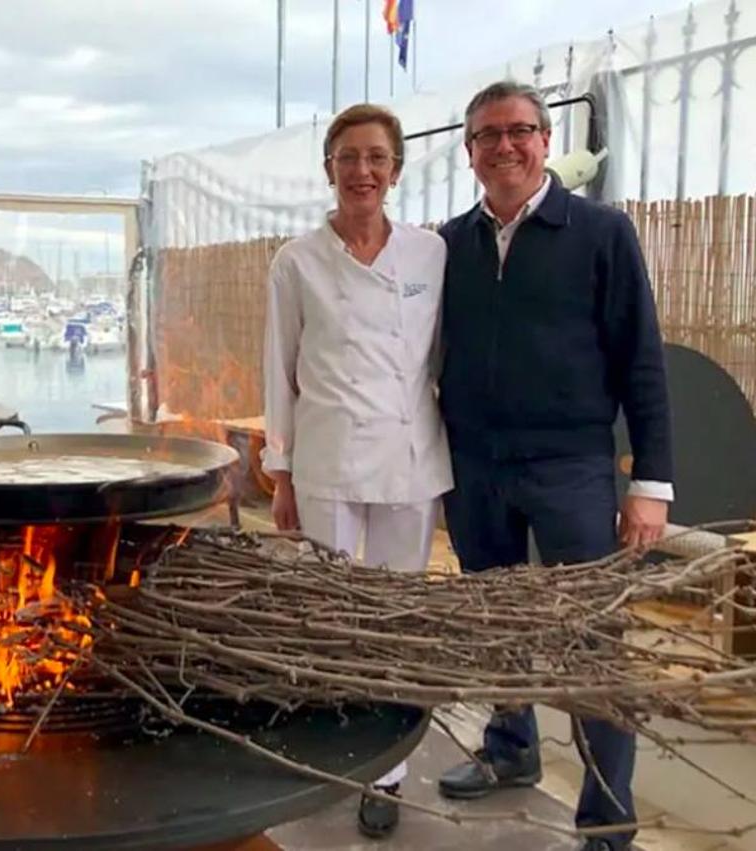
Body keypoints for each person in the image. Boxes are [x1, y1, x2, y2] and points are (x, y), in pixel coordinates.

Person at [435, 80, 673, 851]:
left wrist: (650, 483)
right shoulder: (448, 245)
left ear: (545, 142)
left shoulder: (600, 232)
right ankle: (511, 748)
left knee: (592, 642)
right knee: (499, 623)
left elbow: (642, 363)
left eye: (521, 131)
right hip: (476, 467)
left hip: (571, 466)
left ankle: (607, 819)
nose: (506, 146)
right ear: (469, 152)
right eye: (488, 135)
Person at [261, 103, 451, 839]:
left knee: (397, 616)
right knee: (330, 616)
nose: (362, 171)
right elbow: (278, 371)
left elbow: (439, 360)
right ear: (330, 170)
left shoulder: (429, 254)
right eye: (348, 157)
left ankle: (389, 772)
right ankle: (333, 749)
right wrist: (279, 471)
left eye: (376, 158)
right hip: (327, 458)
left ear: (396, 170)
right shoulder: (297, 260)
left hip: (410, 455)